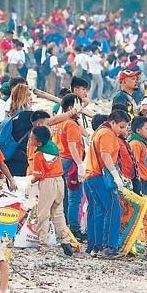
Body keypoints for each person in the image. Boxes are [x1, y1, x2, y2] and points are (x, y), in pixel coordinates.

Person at [85, 109, 129, 259]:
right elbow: (105, 155)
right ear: (113, 123)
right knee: (113, 210)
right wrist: (116, 175)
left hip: (92, 175)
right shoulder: (107, 134)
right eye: (121, 127)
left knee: (100, 211)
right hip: (101, 176)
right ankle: (109, 247)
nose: (123, 130)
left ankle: (96, 247)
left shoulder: (100, 131)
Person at [30, 126, 74, 256]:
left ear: (39, 142)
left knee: (43, 213)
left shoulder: (38, 154)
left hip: (47, 183)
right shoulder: (53, 147)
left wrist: (29, 181)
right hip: (59, 181)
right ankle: (65, 240)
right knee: (58, 212)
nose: (30, 139)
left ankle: (43, 243)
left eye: (32, 137)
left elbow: (39, 174)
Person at [54, 94, 86, 240]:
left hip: (61, 160)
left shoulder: (61, 122)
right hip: (70, 161)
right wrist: (80, 164)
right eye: (77, 105)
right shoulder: (71, 124)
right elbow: (72, 146)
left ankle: (65, 226)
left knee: (64, 197)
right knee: (74, 198)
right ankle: (74, 229)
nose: (80, 108)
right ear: (69, 108)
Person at [127, 116, 147, 196]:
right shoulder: (135, 143)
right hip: (140, 180)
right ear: (138, 130)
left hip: (145, 179)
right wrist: (137, 181)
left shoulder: (142, 143)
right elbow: (134, 164)